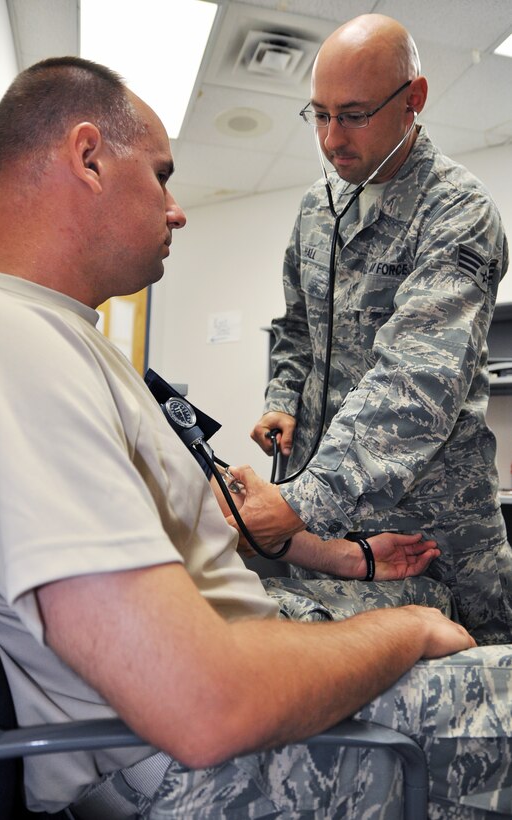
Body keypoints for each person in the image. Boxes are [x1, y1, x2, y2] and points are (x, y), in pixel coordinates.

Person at [0, 56, 511, 820]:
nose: (177, 209)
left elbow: (413, 384)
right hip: (210, 762)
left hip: (245, 648)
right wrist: (403, 631)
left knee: (443, 596)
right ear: (88, 158)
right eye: (161, 175)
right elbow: (201, 701)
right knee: (446, 630)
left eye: (350, 114)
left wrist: (337, 551)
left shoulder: (57, 335)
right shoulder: (8, 347)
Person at [249, 13, 512, 646]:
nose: (331, 138)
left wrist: (300, 503)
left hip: (435, 519)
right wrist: (284, 398)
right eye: (318, 114)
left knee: (472, 682)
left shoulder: (458, 211)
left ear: (412, 101)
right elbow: (297, 326)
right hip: (334, 507)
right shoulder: (321, 204)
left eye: (354, 115)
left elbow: (417, 381)